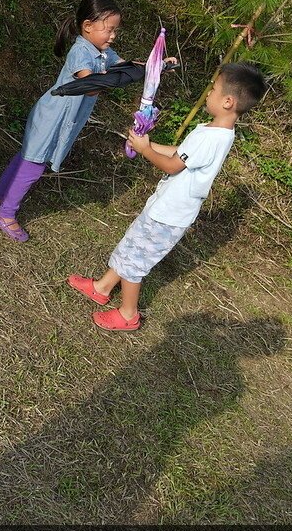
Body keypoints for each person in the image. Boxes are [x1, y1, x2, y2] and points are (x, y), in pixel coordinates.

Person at [68, 63, 268, 331]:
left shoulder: (212, 138)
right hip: (166, 208)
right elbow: (181, 153)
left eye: (214, 89)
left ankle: (129, 314)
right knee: (131, 246)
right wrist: (146, 145)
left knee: (135, 262)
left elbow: (173, 165)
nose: (209, 93)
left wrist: (145, 150)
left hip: (169, 215)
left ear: (228, 101)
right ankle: (103, 287)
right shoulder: (216, 132)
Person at [0, 0, 129, 241]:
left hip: (57, 116)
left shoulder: (103, 52)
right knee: (33, 164)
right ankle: (5, 214)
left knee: (27, 157)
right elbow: (89, 85)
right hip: (53, 117)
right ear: (88, 26)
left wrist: (155, 66)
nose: (113, 36)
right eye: (109, 30)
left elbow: (126, 65)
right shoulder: (80, 52)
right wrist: (113, 80)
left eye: (115, 30)